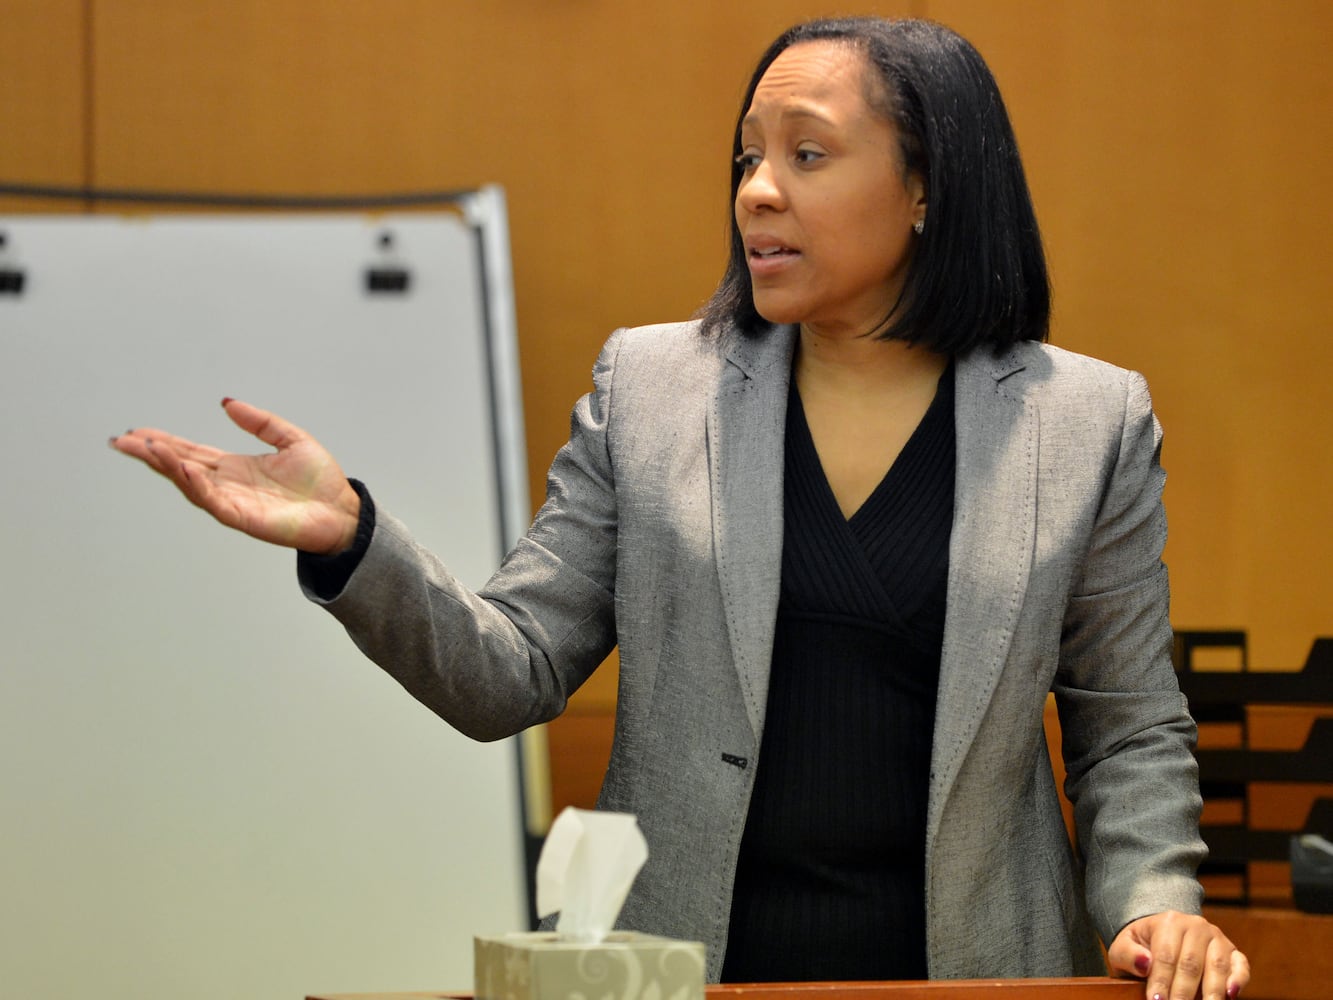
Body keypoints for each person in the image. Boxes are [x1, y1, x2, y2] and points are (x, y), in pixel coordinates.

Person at [110, 16, 1249, 1000]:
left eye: (807, 153)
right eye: (748, 155)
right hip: (685, 965)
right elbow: (508, 671)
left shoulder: (1084, 419)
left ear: (925, 189)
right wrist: (354, 540)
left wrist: (1154, 901)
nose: (757, 188)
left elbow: (1127, 724)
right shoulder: (651, 390)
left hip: (974, 972)